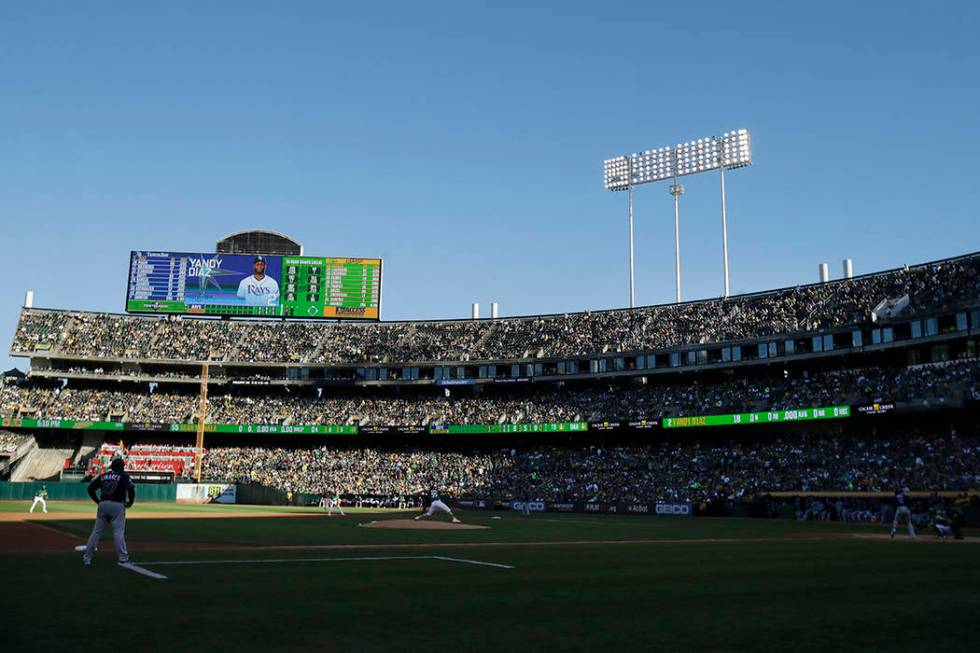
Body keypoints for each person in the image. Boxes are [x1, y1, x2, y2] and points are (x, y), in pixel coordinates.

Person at [82, 457, 135, 565]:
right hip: (117, 505)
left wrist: (98, 501)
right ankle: (123, 558)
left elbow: (90, 489)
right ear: (120, 467)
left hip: (103, 504)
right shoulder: (123, 476)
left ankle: (87, 558)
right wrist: (130, 502)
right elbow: (131, 489)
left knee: (96, 532)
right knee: (118, 533)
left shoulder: (103, 476)